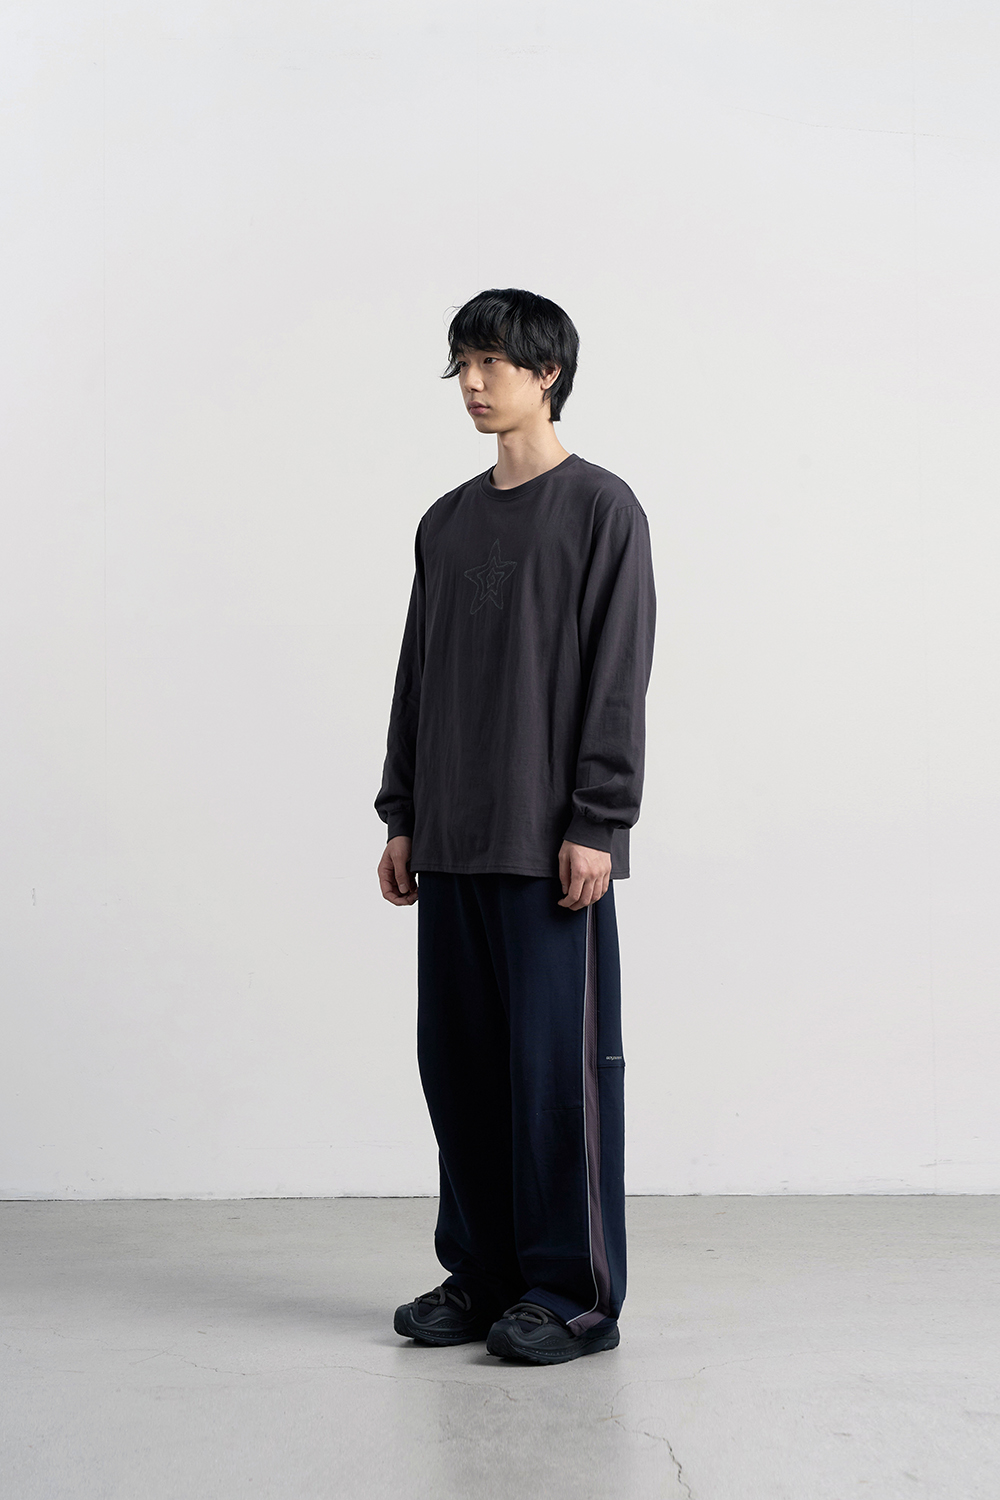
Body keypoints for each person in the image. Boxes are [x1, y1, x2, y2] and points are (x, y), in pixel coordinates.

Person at [374, 288, 656, 1365]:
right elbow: (417, 676)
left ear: (548, 373)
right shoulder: (444, 522)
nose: (474, 382)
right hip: (450, 840)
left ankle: (571, 1294)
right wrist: (402, 812)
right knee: (459, 1072)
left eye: (493, 361)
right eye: (463, 363)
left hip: (550, 850)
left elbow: (618, 676)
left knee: (555, 1081)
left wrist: (597, 820)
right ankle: (483, 1275)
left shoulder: (601, 510)